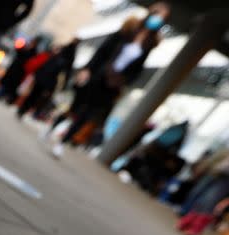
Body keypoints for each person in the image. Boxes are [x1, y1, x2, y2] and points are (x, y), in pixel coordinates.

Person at [50, 3, 170, 157]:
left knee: (87, 113)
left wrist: (125, 81)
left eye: (162, 18)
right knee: (76, 107)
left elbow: (138, 68)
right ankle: (53, 126)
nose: (158, 19)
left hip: (113, 84)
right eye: (157, 14)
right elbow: (102, 51)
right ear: (150, 12)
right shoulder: (129, 28)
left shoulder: (150, 43)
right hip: (98, 76)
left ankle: (63, 142)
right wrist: (87, 69)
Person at [16, 38, 79, 118]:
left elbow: (45, 65)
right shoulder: (69, 57)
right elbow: (64, 73)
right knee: (36, 96)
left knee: (33, 95)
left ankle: (23, 110)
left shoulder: (59, 54)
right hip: (47, 81)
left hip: (44, 78)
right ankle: (24, 110)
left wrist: (37, 74)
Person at [176, 149, 229, 235]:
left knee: (209, 201)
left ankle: (195, 229)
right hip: (214, 173)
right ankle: (186, 222)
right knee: (199, 197)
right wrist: (203, 167)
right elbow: (216, 157)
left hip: (226, 181)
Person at [0, 38, 38, 103]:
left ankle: (7, 98)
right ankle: (0, 95)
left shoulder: (33, 53)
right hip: (14, 68)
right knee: (7, 82)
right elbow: (18, 52)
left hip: (20, 71)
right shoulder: (26, 48)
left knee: (12, 85)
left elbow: (29, 61)